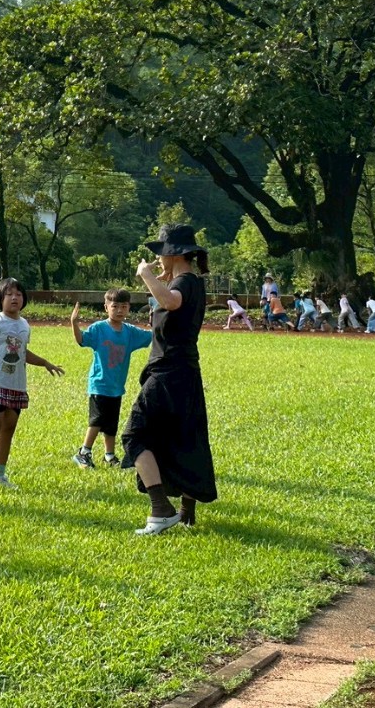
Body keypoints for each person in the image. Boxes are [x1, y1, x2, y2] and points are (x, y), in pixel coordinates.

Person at [122, 224, 218, 535]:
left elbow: (171, 302)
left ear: (173, 254)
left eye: (161, 254)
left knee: (135, 436)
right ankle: (186, 513)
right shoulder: (191, 282)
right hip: (185, 371)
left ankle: (160, 509)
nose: (159, 260)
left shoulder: (184, 282)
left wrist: (146, 275)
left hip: (168, 372)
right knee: (184, 437)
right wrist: (161, 281)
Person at [0, 278, 64, 490]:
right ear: (0, 298)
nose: (14, 298)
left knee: (8, 428)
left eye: (18, 294)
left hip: (15, 385)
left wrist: (45, 363)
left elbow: (22, 352)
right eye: (9, 294)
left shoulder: (24, 325)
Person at [71, 290, 152, 469]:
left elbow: (151, 336)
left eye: (124, 306)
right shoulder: (99, 328)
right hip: (99, 384)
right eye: (115, 306)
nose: (119, 310)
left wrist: (161, 317)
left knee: (111, 424)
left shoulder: (130, 332)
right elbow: (81, 340)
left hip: (116, 387)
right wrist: (74, 323)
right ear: (106, 307)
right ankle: (83, 452)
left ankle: (109, 455)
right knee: (97, 420)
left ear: (129, 308)